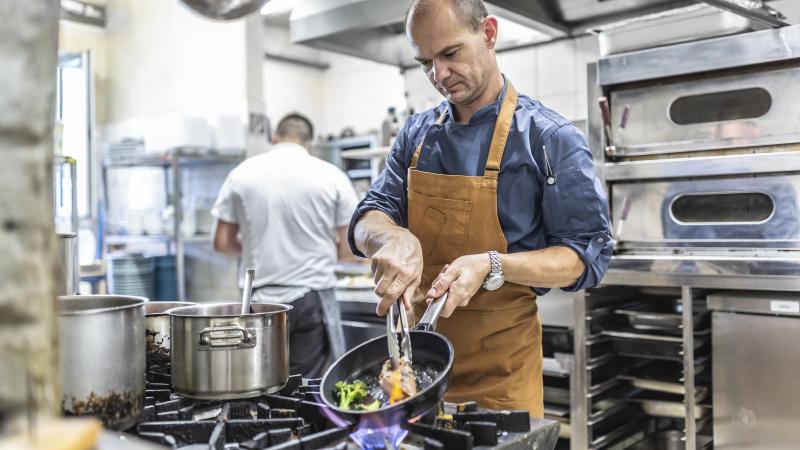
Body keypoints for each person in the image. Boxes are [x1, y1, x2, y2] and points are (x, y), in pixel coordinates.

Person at [348, 0, 612, 416]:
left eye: (450, 54)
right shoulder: (416, 135)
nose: (439, 75)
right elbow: (369, 215)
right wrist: (392, 237)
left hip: (500, 379)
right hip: (413, 375)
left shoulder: (549, 139)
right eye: (425, 63)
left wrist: (494, 265)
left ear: (488, 33)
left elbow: (582, 258)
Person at [212, 112, 360, 378]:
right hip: (311, 297)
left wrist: (250, 251)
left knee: (258, 381)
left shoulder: (241, 173)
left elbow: (222, 242)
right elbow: (348, 251)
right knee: (306, 388)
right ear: (309, 143)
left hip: (257, 300)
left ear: (274, 138)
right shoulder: (332, 176)